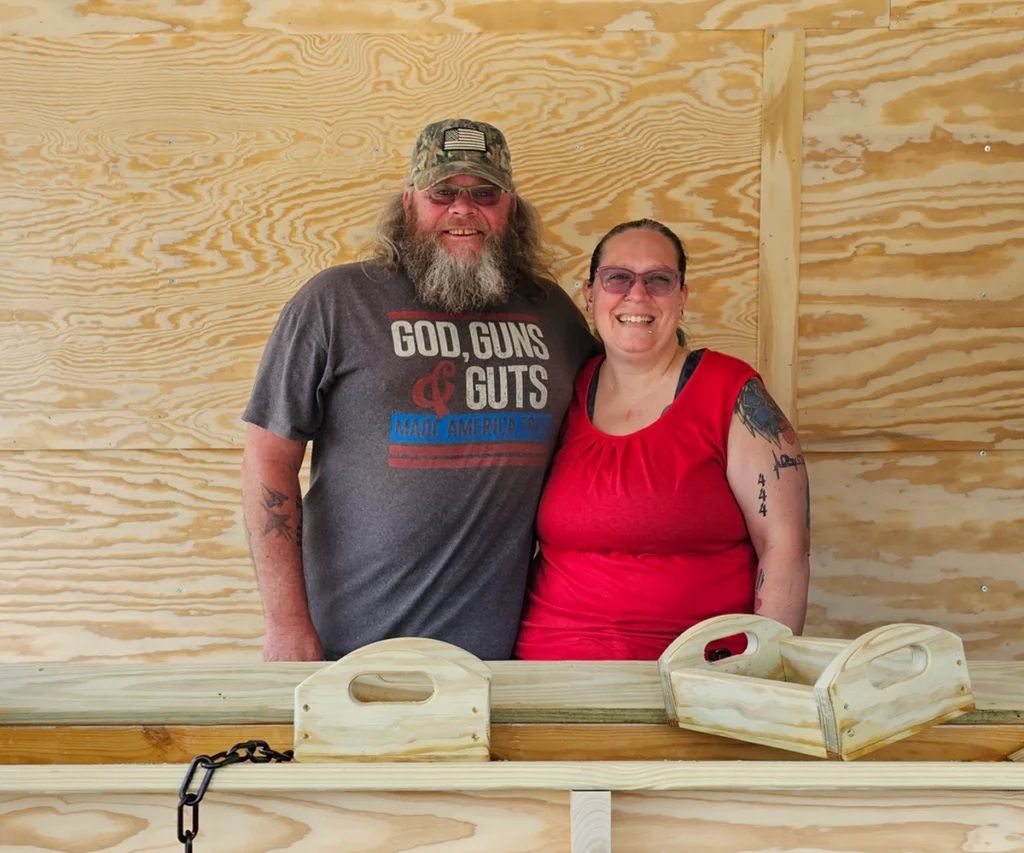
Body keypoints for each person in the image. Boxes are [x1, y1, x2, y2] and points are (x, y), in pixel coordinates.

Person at [241, 119, 594, 662]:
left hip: (504, 663)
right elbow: (268, 458)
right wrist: (287, 625)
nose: (463, 209)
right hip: (347, 652)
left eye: (485, 194)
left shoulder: (553, 315)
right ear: (408, 203)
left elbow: (619, 413)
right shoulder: (336, 302)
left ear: (512, 210)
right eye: (442, 193)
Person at [515, 219, 810, 661]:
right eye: (618, 278)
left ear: (682, 297)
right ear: (590, 295)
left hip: (692, 673)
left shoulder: (731, 393)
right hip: (548, 668)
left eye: (659, 280)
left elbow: (784, 546)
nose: (637, 294)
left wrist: (764, 670)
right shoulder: (560, 389)